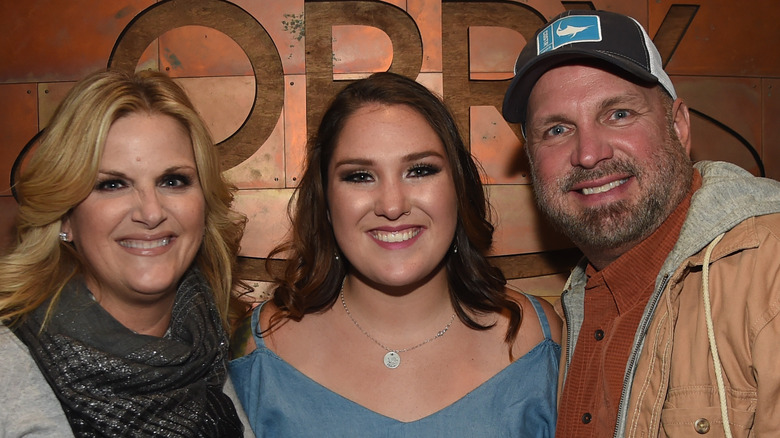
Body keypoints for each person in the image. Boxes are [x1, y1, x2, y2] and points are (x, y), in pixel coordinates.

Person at [229, 72, 562, 436]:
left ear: (458, 187)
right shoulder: (260, 348)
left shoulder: (535, 339)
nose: (391, 205)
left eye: (419, 171)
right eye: (359, 176)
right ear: (326, 200)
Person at [502, 9, 780, 438]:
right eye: (557, 129)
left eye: (618, 114)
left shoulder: (768, 273)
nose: (589, 153)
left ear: (679, 126)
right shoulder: (566, 316)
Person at [0, 69, 255, 437]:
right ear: (65, 216)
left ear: (203, 207)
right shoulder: (10, 366)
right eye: (112, 184)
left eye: (173, 181)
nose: (151, 213)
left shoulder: (210, 348)